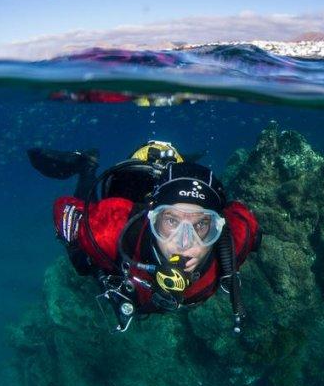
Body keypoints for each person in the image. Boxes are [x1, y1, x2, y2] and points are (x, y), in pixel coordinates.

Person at [28, 140, 261, 333]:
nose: (184, 242)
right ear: (151, 218)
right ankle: (87, 165)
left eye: (201, 225)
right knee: (82, 262)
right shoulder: (108, 230)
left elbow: (243, 217)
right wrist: (76, 241)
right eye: (171, 221)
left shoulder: (233, 243)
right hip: (127, 192)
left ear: (218, 228)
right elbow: (65, 208)